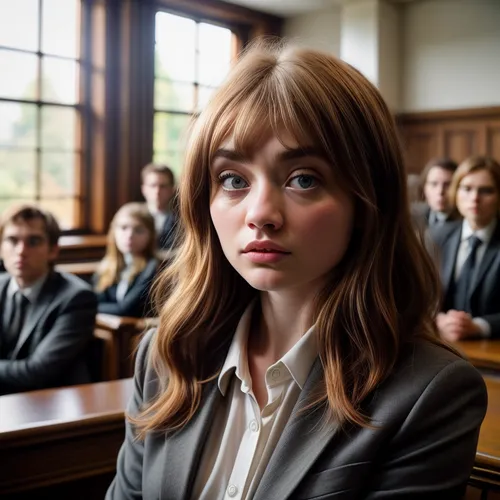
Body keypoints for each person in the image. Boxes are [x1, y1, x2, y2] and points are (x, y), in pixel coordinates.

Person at [107, 41, 487, 499]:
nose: (261, 213)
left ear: (366, 203)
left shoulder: (429, 394)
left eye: (303, 178)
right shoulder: (167, 355)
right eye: (233, 180)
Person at [0, 205, 97, 395]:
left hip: (49, 406)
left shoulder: (77, 298)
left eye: (33, 241)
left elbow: (38, 372)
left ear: (53, 250)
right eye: (12, 240)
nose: (21, 251)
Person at [431, 156, 500, 340]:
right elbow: (415, 298)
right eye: (467, 188)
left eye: (486, 191)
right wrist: (437, 320)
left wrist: (478, 326)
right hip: (440, 345)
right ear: (456, 192)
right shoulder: (436, 236)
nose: (474, 198)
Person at [94, 202, 158, 318]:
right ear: (114, 231)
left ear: (151, 235)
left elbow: (126, 309)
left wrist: (89, 307)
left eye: (138, 230)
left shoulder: (152, 267)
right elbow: (95, 300)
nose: (129, 235)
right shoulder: (107, 265)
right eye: (123, 228)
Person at [411, 157, 458, 231]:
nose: (440, 191)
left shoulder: (467, 222)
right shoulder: (413, 216)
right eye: (434, 184)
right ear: (424, 188)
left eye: (448, 185)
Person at [141, 163, 178, 251]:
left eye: (163, 186)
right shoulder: (134, 217)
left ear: (172, 190)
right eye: (152, 185)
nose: (157, 191)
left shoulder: (181, 220)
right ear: (144, 189)